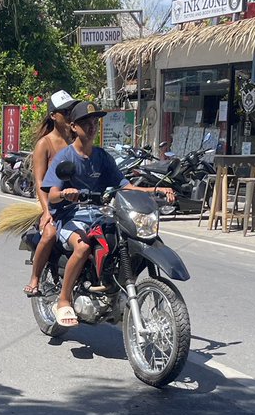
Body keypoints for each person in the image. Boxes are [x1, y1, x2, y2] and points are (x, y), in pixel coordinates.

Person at [41, 101, 176, 328]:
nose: (92, 126)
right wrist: (66, 193)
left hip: (99, 213)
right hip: (69, 216)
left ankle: (111, 285)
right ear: (73, 126)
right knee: (83, 246)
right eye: (86, 122)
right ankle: (64, 299)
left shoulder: (102, 157)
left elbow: (125, 186)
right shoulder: (65, 157)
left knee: (127, 236)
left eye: (95, 122)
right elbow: (52, 195)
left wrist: (156, 190)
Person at [23, 89, 77, 297]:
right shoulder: (44, 144)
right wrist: (47, 212)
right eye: (65, 112)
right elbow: (39, 182)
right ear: (54, 116)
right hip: (52, 202)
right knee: (50, 233)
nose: (70, 115)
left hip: (76, 201)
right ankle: (35, 277)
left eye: (72, 110)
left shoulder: (76, 140)